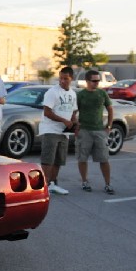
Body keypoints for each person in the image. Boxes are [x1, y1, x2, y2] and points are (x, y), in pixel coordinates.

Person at [38, 67, 78, 195]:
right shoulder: (52, 92)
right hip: (50, 130)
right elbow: (47, 112)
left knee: (58, 160)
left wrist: (73, 123)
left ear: (71, 78)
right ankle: (43, 186)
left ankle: (53, 184)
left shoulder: (72, 93)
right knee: (48, 159)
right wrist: (63, 121)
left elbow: (74, 111)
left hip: (64, 132)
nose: (62, 81)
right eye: (60, 78)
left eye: (65, 78)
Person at [76, 70, 115, 194]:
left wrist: (108, 126)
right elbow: (73, 111)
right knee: (82, 158)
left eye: (98, 80)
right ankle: (84, 182)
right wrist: (76, 126)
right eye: (94, 81)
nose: (97, 83)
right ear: (87, 81)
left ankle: (108, 184)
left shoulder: (102, 94)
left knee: (104, 159)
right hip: (84, 131)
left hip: (99, 131)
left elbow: (110, 109)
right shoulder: (81, 94)